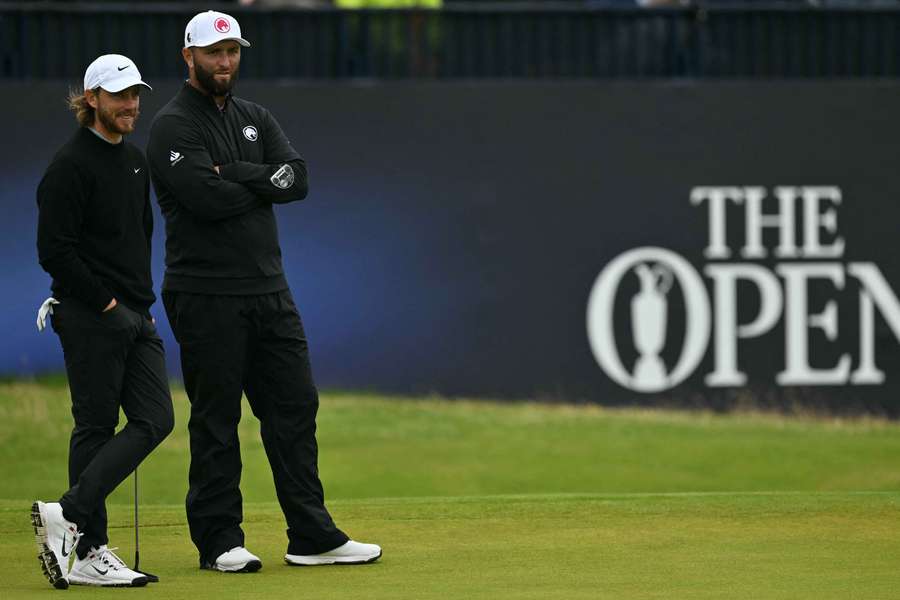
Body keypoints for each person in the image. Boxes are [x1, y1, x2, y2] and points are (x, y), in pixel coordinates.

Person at [146, 10, 381, 572]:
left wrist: (236, 172)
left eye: (231, 52)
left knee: (295, 409)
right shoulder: (172, 125)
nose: (224, 62)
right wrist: (258, 179)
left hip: (269, 290)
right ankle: (219, 540)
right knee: (217, 418)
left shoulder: (255, 116)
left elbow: (295, 178)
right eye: (213, 53)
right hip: (204, 293)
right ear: (189, 57)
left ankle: (311, 535)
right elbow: (205, 199)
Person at [32, 54, 174, 589]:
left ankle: (66, 512)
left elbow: (138, 240)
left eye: (135, 94)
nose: (131, 104)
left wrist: (142, 307)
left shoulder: (135, 160)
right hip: (90, 316)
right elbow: (55, 252)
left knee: (156, 419)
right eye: (119, 95)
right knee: (95, 427)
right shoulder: (69, 166)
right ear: (91, 99)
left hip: (136, 316)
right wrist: (110, 306)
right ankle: (90, 550)